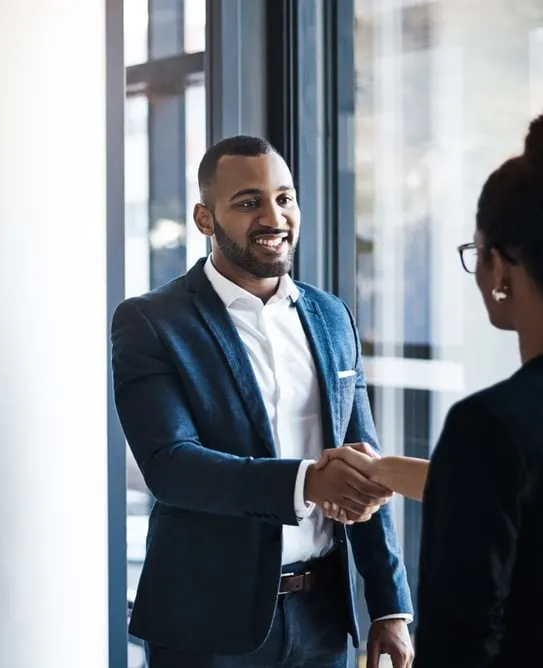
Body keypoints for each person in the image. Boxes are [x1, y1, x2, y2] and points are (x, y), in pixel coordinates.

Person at [317, 105, 543, 668]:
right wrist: (382, 472)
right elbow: (538, 498)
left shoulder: (490, 422)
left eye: (476, 254)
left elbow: (459, 636)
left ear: (500, 269)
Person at [111, 135, 414, 668]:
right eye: (248, 202)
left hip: (322, 618)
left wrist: (389, 608)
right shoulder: (152, 322)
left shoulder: (331, 315)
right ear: (206, 219)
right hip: (206, 625)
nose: (274, 216)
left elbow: (363, 460)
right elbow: (172, 466)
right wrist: (307, 482)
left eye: (285, 198)